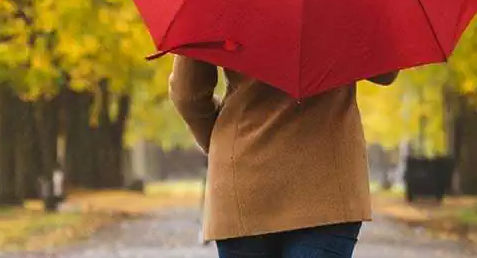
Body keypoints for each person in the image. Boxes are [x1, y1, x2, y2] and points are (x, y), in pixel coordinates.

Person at [170, 55, 398, 257]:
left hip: (245, 183)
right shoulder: (348, 5)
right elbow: (385, 70)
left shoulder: (214, 6)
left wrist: (226, 147)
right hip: (329, 185)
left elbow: (187, 94)